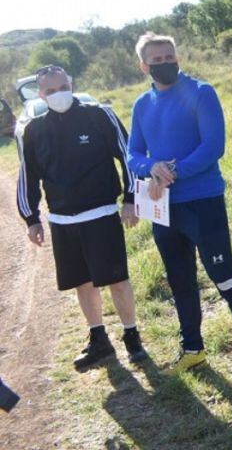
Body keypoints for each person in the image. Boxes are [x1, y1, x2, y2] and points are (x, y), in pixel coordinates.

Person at [127, 33, 232, 385]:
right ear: (144, 66)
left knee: (225, 277)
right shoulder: (142, 105)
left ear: (178, 56)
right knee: (180, 282)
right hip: (163, 209)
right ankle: (193, 349)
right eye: (156, 59)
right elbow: (133, 154)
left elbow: (213, 146)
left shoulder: (201, 92)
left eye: (169, 55)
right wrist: (151, 168)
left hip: (202, 203)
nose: (165, 63)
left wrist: (172, 171)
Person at [15, 65, 148, 370]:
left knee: (117, 279)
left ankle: (132, 337)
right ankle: (99, 339)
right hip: (62, 221)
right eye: (50, 91)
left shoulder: (99, 115)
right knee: (83, 283)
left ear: (71, 85)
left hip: (101, 214)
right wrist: (31, 219)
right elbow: (28, 177)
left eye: (63, 87)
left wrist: (131, 199)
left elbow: (127, 156)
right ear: (41, 94)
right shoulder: (33, 130)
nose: (58, 94)